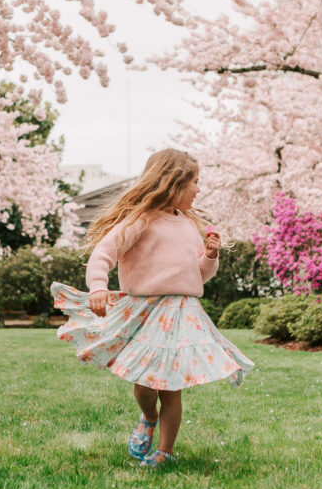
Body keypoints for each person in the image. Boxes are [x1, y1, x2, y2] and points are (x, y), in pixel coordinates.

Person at [51, 149, 254, 469]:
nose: (199, 190)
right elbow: (104, 253)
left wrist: (211, 256)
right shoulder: (140, 220)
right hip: (146, 312)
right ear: (173, 182)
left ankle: (165, 451)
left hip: (183, 313)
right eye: (195, 183)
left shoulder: (189, 226)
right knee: (145, 382)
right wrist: (98, 288)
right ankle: (148, 415)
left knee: (171, 386)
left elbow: (197, 275)